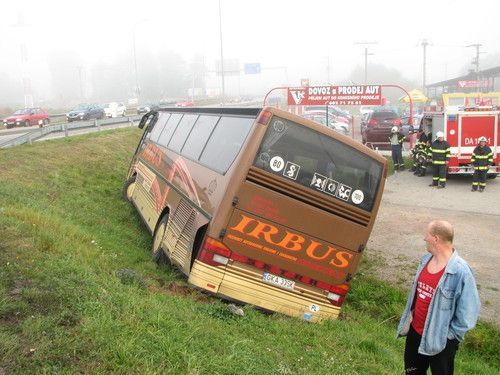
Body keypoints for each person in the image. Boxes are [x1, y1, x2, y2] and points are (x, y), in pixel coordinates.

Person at [397, 220, 480, 375]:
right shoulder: (424, 260)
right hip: (415, 333)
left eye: (427, 235)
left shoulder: (461, 272)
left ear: (436, 238)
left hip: (441, 341)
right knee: (412, 372)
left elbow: (468, 314)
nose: (424, 239)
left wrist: (450, 337)